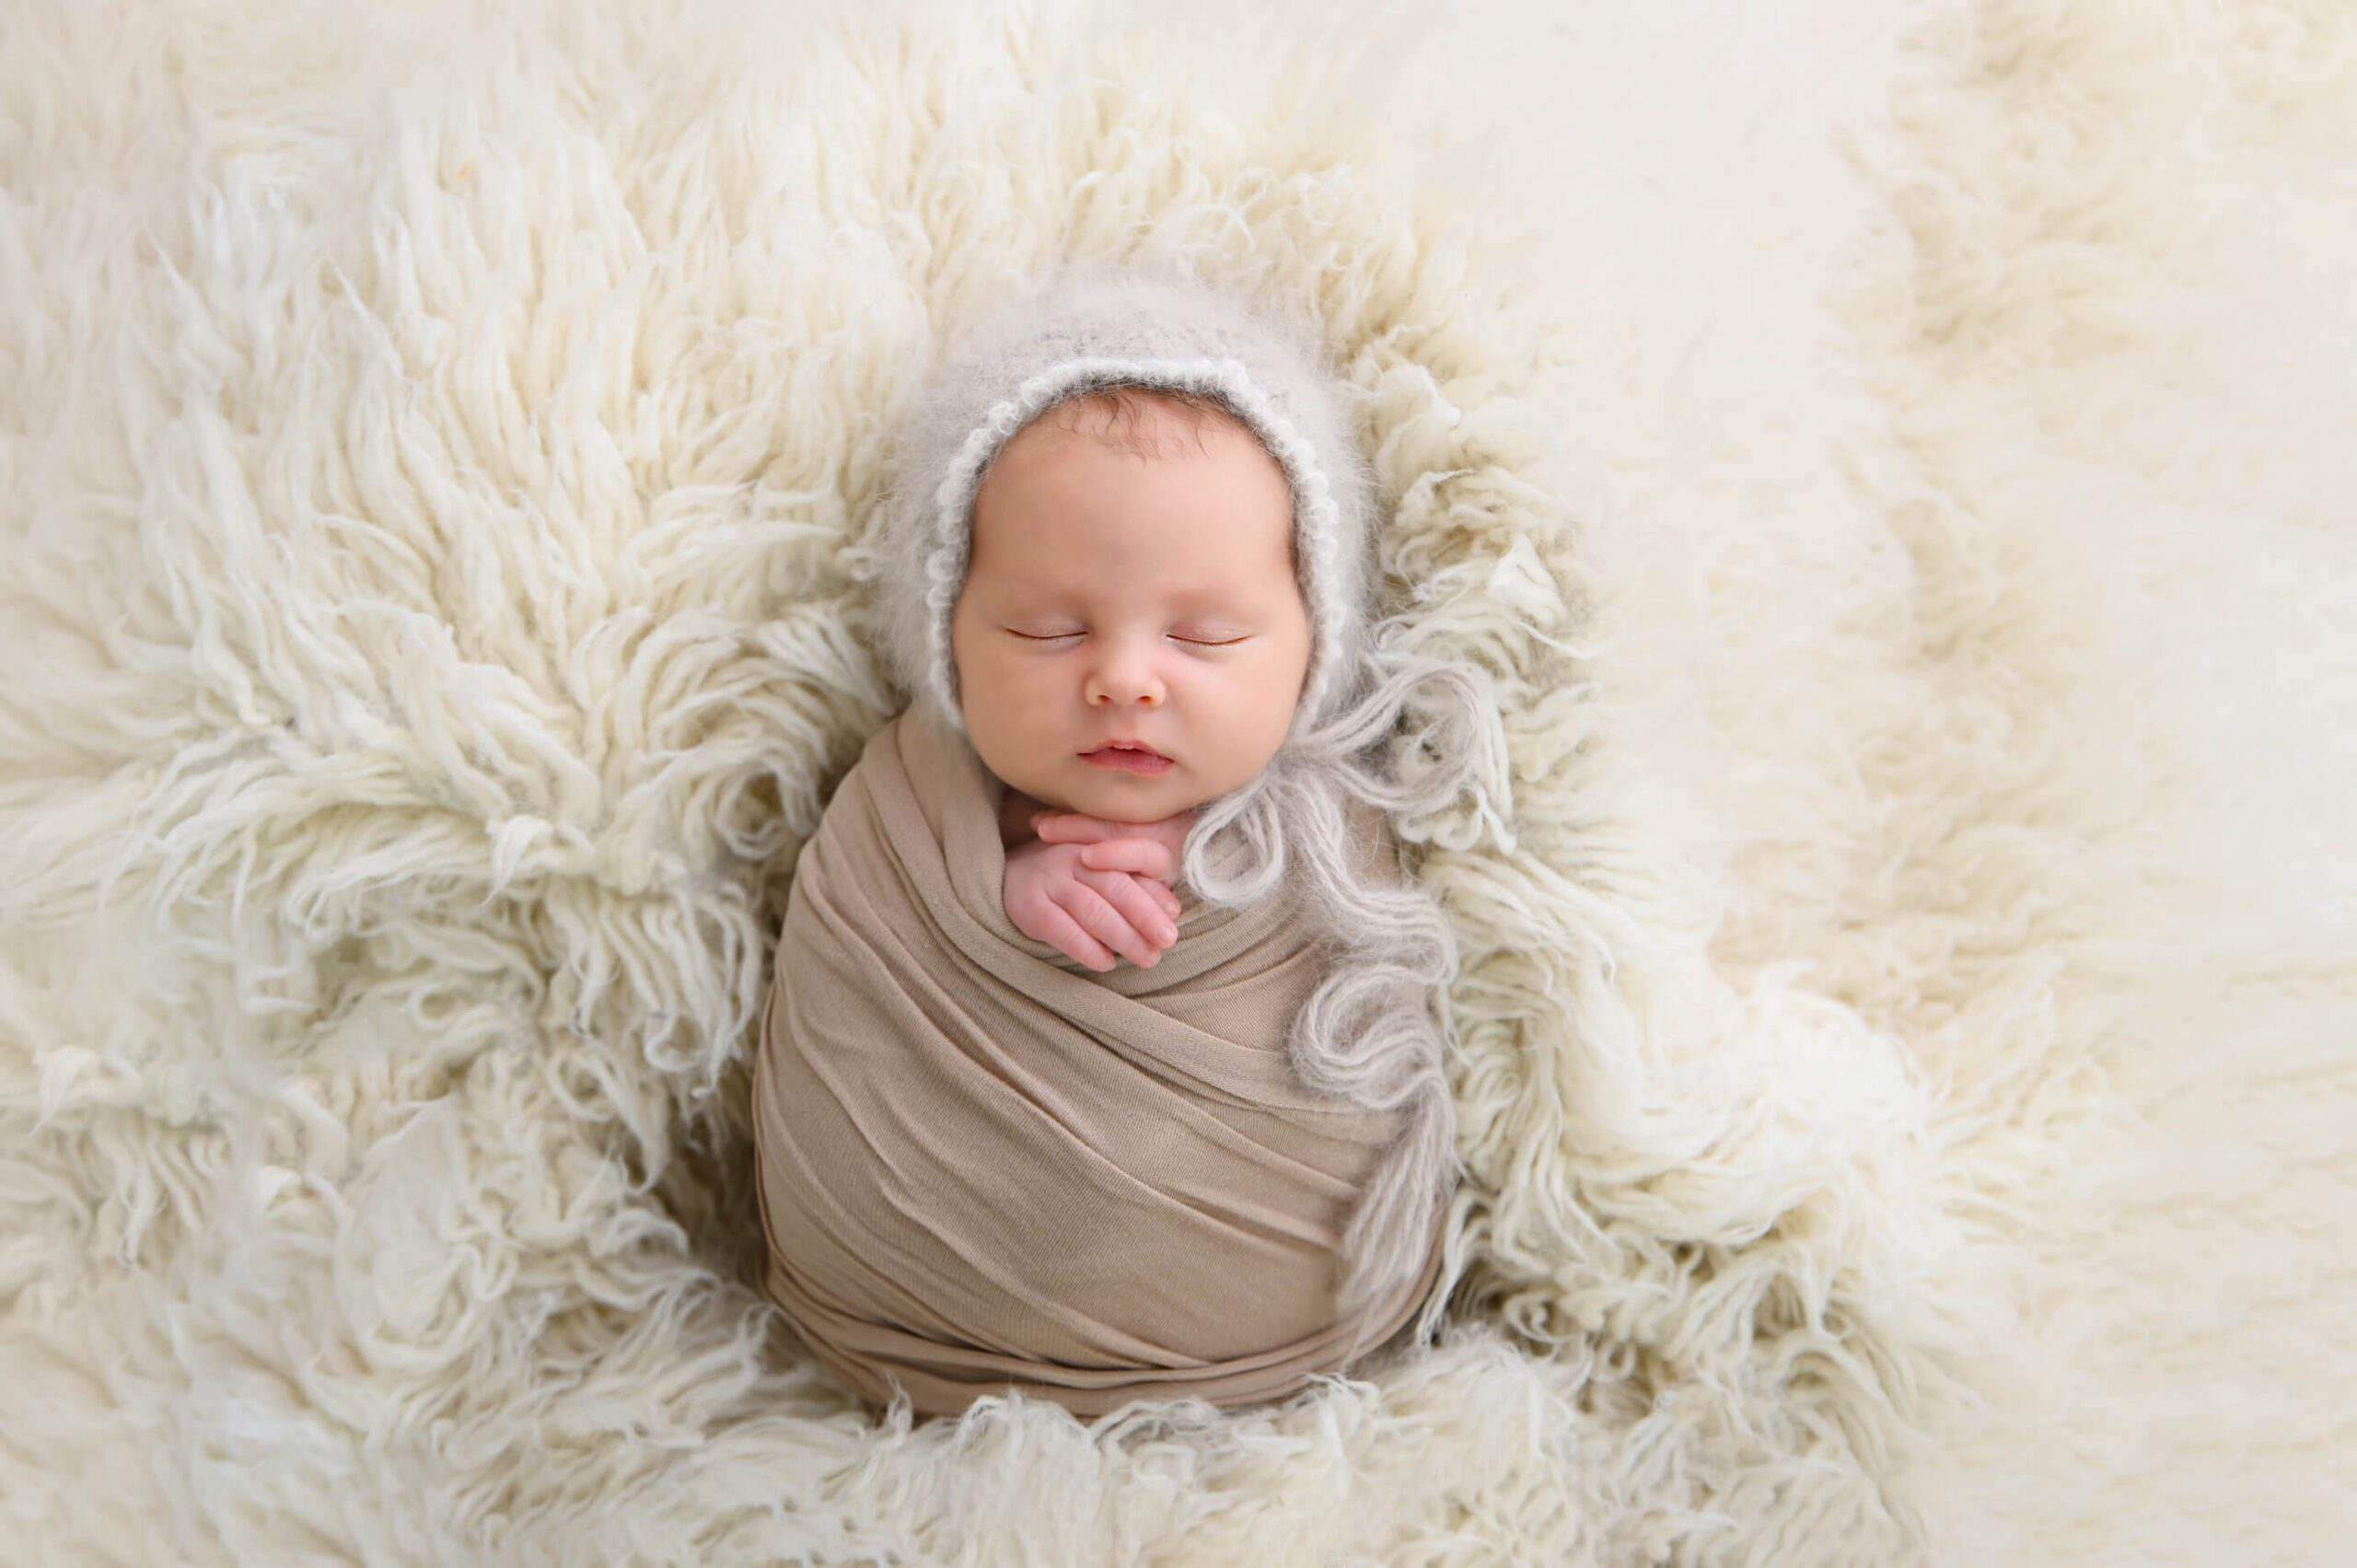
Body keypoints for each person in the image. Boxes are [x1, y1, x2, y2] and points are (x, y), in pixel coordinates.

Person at [751, 261, 1504, 1419]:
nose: (1123, 680)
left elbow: (1380, 1031)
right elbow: (858, 988)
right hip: (910, 1336)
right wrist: (995, 898)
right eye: (1047, 628)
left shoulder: (1337, 837)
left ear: (1312, 644)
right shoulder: (899, 819)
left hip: (1281, 1356)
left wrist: (1239, 897)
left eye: (1205, 637)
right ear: (947, 630)